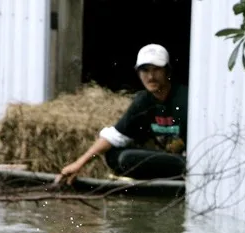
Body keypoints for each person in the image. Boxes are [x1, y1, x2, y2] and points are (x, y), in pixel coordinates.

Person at [57, 44, 187, 183]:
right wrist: (79, 164)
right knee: (112, 154)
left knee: (128, 158)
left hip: (187, 163)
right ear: (138, 73)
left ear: (167, 72)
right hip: (164, 158)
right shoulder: (143, 100)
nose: (150, 76)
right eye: (145, 70)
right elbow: (115, 136)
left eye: (156, 70)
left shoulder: (184, 98)